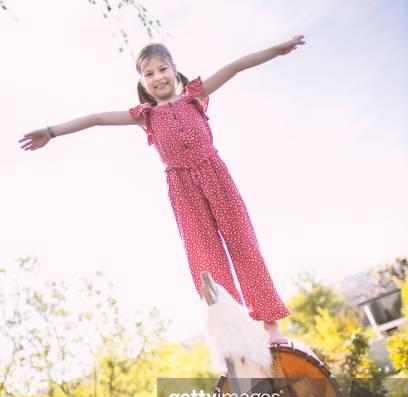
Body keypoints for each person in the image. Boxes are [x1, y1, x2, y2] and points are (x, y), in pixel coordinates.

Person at [19, 36, 305, 344]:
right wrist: (51, 131)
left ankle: (272, 327)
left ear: (174, 69)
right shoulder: (146, 115)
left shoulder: (196, 95)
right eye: (149, 73)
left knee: (243, 246)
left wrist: (277, 50)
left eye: (162, 69)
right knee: (207, 262)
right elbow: (95, 119)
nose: (157, 77)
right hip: (183, 191)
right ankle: (237, 334)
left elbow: (235, 67)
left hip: (216, 177)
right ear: (142, 81)